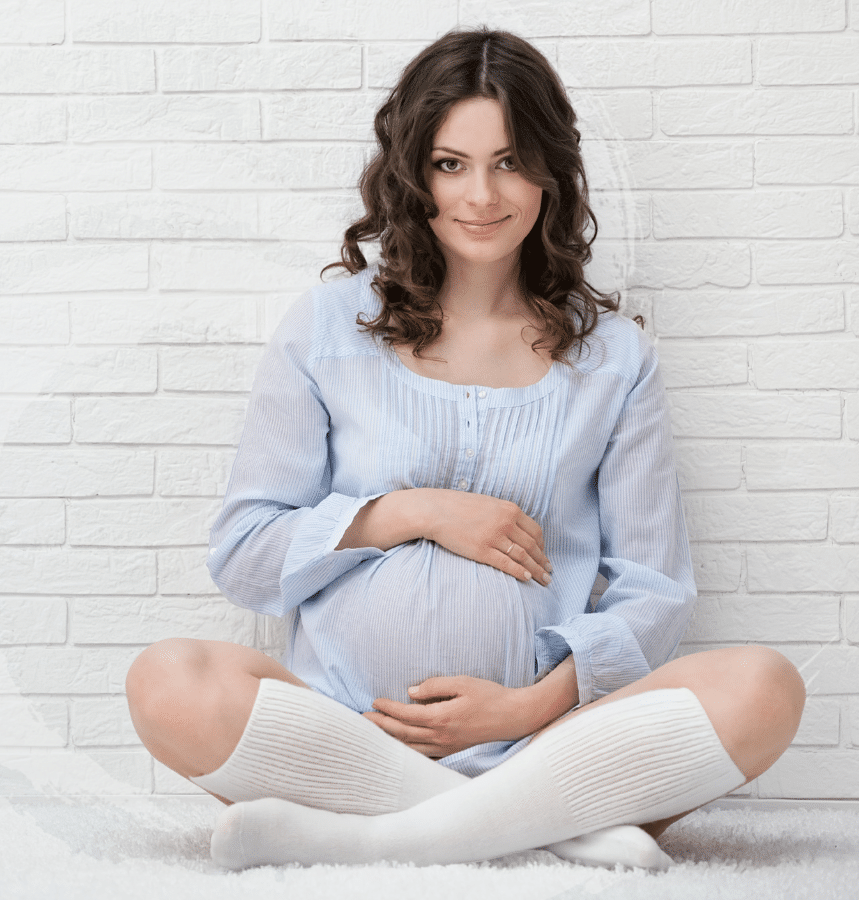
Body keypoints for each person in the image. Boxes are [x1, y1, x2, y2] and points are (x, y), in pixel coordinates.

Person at [125, 27, 805, 871]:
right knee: (168, 679)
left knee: (764, 688)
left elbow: (654, 591)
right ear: (413, 173)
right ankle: (538, 831)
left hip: (547, 738)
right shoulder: (329, 327)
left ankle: (371, 837)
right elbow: (245, 555)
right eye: (451, 164)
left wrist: (527, 709)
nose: (482, 195)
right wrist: (412, 513)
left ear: (551, 172)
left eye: (510, 161)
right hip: (348, 730)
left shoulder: (614, 357)